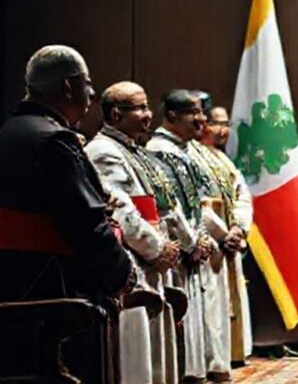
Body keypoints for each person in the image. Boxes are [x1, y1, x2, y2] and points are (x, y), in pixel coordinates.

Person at [0, 45, 134, 383]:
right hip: (51, 297)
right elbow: (88, 227)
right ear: (70, 87)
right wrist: (123, 273)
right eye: (87, 84)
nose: (90, 93)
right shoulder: (53, 141)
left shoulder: (10, 134)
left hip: (4, 285)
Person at [86, 81, 190, 384]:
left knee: (157, 350)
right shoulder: (104, 151)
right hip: (135, 261)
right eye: (140, 108)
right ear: (116, 114)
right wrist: (157, 248)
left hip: (153, 259)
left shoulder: (133, 150)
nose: (148, 115)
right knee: (138, 355)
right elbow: (121, 209)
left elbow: (158, 205)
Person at [147, 89, 219, 382]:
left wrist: (201, 237)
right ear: (172, 116)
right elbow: (169, 205)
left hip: (193, 244)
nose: (201, 119)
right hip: (176, 248)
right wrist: (192, 243)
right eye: (193, 113)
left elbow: (197, 201)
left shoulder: (185, 150)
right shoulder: (159, 150)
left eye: (202, 112)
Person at [194, 97, 254, 367]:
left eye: (226, 124)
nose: (223, 130)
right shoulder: (191, 155)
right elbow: (196, 204)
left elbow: (242, 195)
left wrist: (238, 228)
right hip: (211, 243)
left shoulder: (223, 160)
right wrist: (222, 234)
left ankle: (234, 352)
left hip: (230, 240)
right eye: (218, 123)